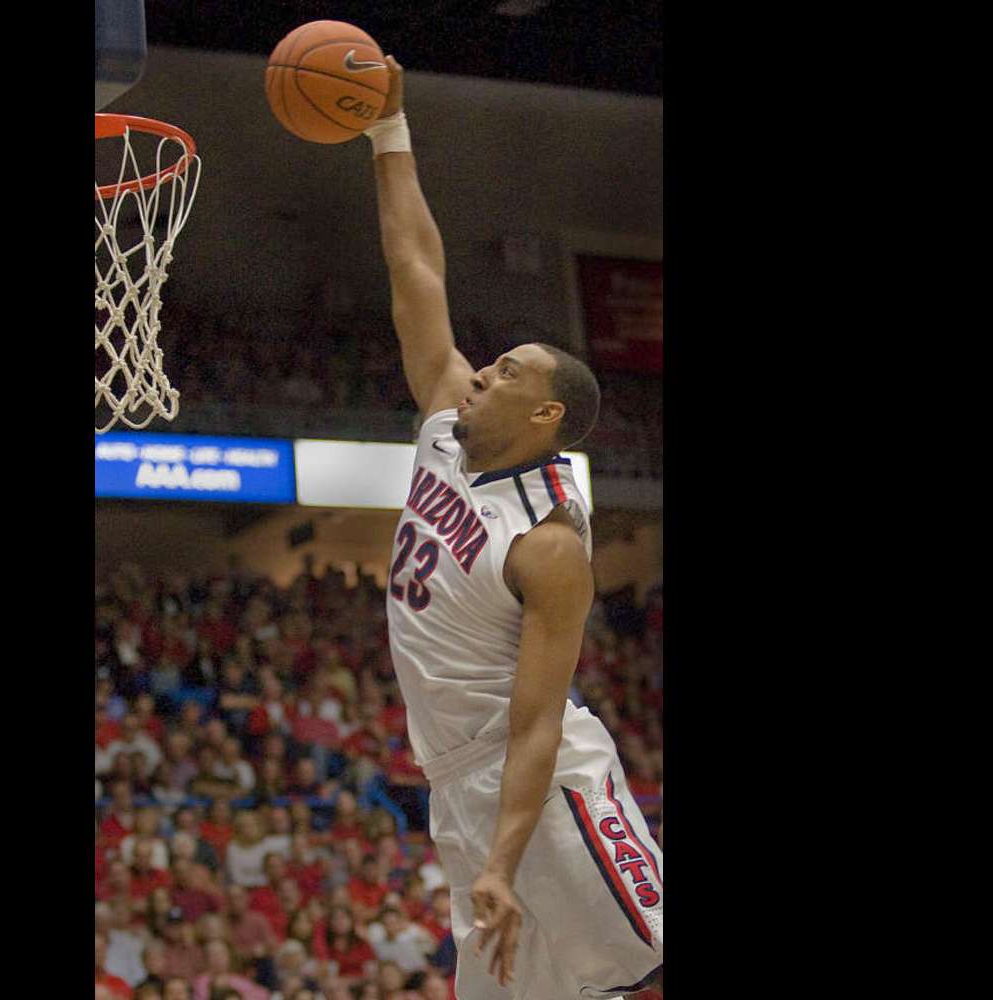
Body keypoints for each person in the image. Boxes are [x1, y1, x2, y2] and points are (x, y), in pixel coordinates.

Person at [362, 57, 662, 998]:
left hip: (545, 785)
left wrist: (504, 857)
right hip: (457, 786)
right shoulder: (446, 421)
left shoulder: (549, 546)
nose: (483, 370)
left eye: (509, 370)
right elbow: (415, 266)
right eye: (492, 360)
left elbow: (534, 727)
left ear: (546, 418)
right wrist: (388, 130)